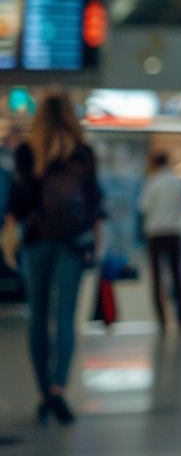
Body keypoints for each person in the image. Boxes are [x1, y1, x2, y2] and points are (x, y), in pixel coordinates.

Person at [5, 90, 103, 425]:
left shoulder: (27, 152)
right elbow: (94, 202)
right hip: (73, 242)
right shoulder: (84, 153)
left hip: (36, 241)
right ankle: (60, 388)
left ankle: (43, 391)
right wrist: (93, 241)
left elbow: (16, 203)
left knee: (38, 315)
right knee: (65, 316)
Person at [139, 152, 181, 330]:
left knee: (157, 278)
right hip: (175, 232)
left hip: (155, 233)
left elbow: (144, 207)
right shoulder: (179, 182)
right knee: (178, 275)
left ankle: (162, 319)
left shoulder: (152, 181)